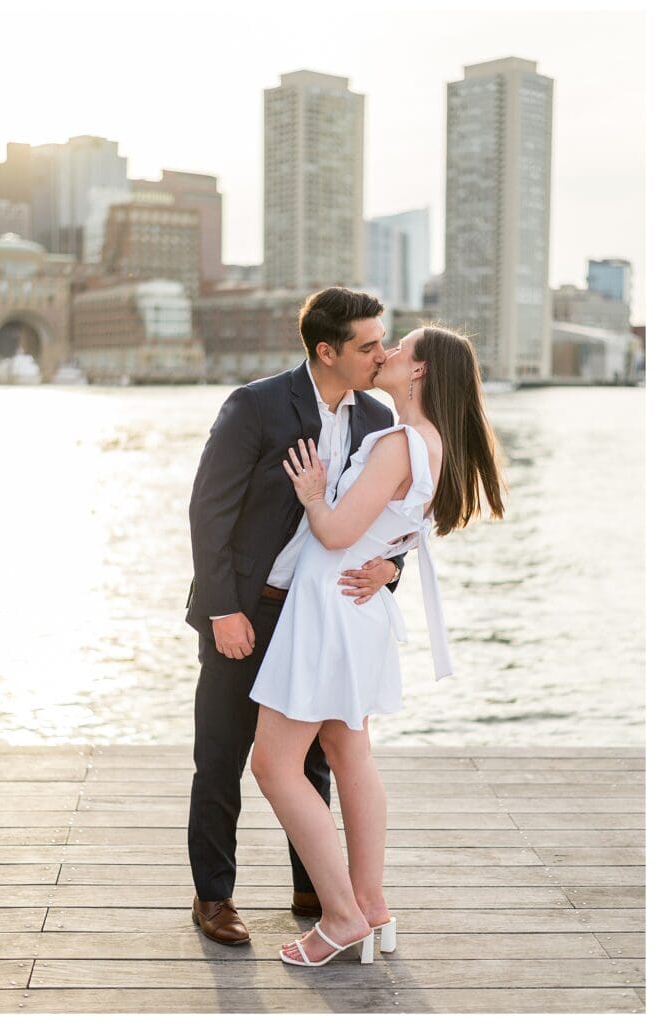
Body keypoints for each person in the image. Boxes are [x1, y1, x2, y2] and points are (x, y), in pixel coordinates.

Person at [250, 324, 506, 966]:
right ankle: (370, 906)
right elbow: (401, 533)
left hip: (328, 609)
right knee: (348, 750)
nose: (386, 353)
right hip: (356, 610)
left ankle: (340, 917)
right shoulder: (432, 443)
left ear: (418, 372)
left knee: (274, 765)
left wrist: (312, 494)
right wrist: (388, 565)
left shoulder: (396, 443)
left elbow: (335, 532)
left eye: (400, 348)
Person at [185, 287, 407, 945]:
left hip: (323, 615)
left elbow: (394, 520)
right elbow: (209, 512)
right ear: (325, 351)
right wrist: (224, 609)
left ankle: (314, 886)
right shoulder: (254, 406)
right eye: (367, 345)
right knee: (222, 754)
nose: (380, 354)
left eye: (381, 341)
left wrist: (391, 573)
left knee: (311, 759)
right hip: (249, 610)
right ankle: (214, 897)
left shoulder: (377, 419)